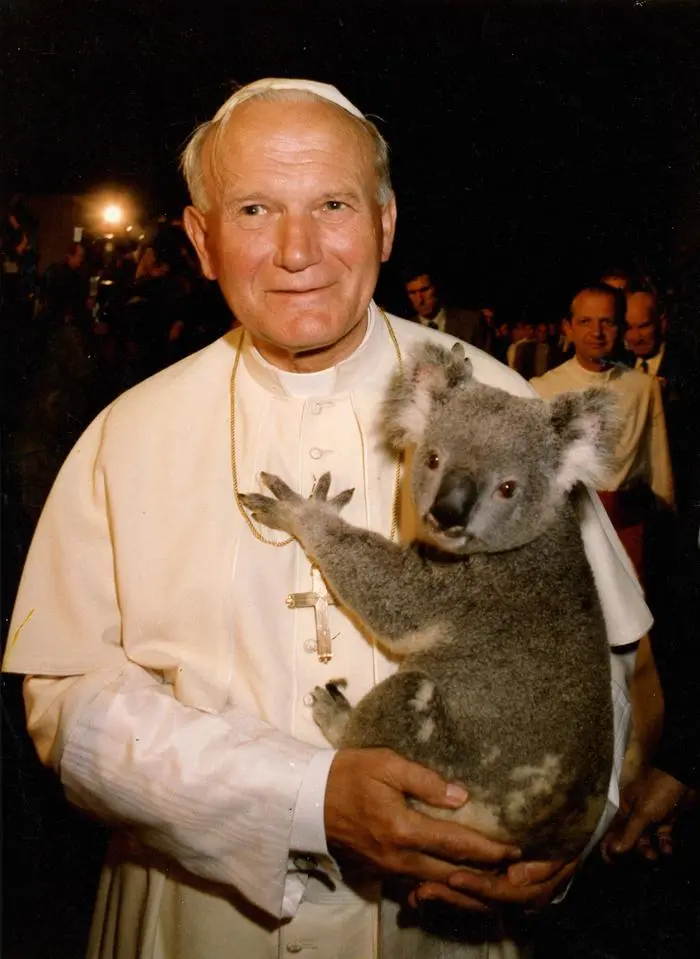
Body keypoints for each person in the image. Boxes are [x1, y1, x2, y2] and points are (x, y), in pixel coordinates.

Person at [4, 78, 652, 959]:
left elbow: (603, 654)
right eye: (256, 209)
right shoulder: (128, 434)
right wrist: (303, 797)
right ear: (201, 239)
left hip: (450, 916)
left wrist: (569, 829)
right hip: (198, 919)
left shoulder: (500, 405)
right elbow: (69, 707)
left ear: (386, 222)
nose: (297, 250)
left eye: (334, 204)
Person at [530, 283, 674, 580]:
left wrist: (666, 514)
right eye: (585, 322)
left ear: (620, 328)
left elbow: (658, 463)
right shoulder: (542, 388)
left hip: (626, 527)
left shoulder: (642, 387)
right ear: (568, 328)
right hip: (566, 528)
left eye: (607, 322)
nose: (596, 332)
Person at [404, 270, 481, 343]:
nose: (420, 300)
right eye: (412, 293)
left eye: (424, 290)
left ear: (437, 287)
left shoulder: (470, 322)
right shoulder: (404, 330)